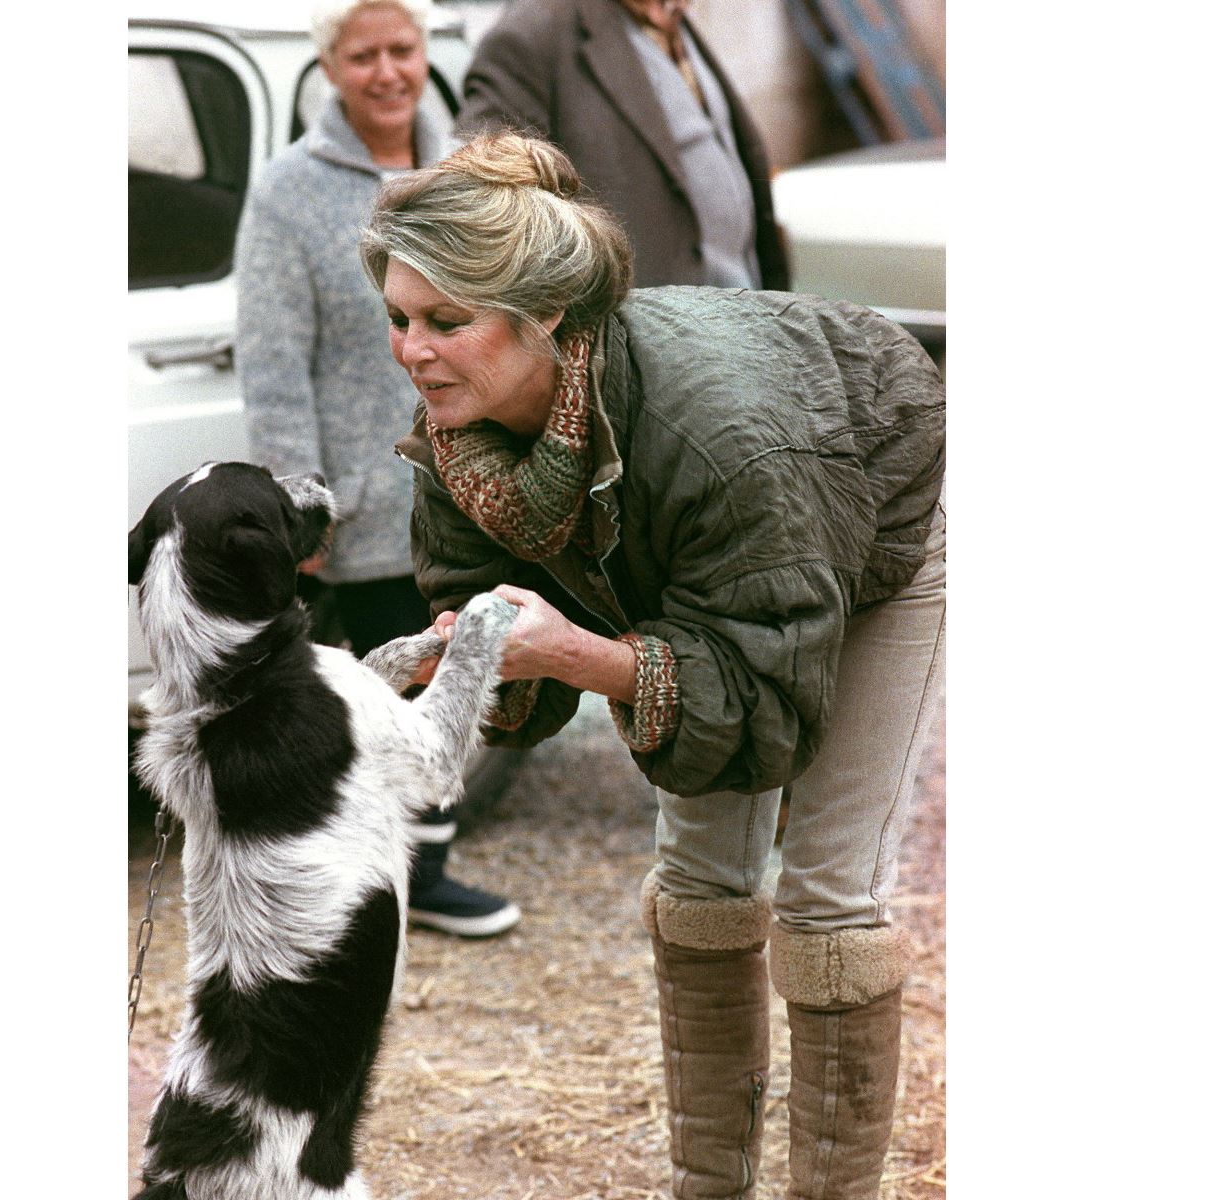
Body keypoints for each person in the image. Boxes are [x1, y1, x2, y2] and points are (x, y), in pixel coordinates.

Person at [361, 134, 945, 1199]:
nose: (412, 350)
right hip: (720, 565)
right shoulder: (462, 431)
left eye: (446, 322)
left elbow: (763, 702)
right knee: (699, 884)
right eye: (400, 318)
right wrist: (466, 658)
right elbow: (491, 627)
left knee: (822, 901)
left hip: (869, 537)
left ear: (545, 320)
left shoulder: (722, 436)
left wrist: (577, 652)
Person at [235, 0, 520, 938]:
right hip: (365, 503)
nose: (389, 71)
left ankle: (419, 868)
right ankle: (394, 876)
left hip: (473, 483)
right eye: (365, 55)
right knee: (385, 692)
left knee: (469, 665)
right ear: (331, 67)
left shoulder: (466, 176)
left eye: (403, 50)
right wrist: (297, 505)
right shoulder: (289, 190)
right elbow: (272, 357)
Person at [456, 0, 789, 292]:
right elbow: (487, 185)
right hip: (642, 336)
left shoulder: (670, 17)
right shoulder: (534, 28)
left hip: (741, 314)